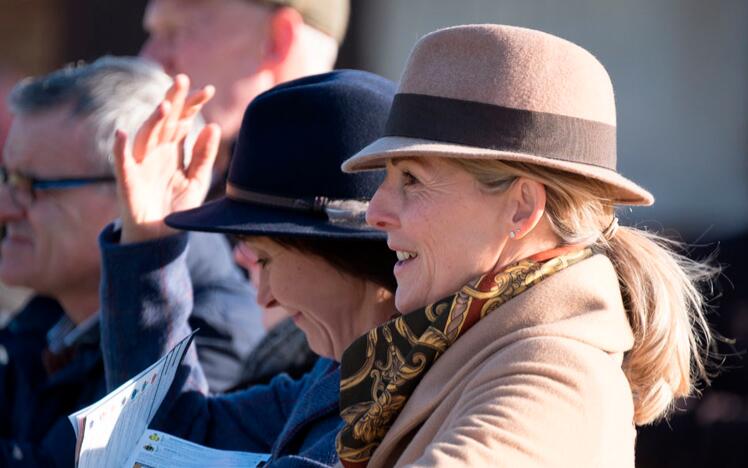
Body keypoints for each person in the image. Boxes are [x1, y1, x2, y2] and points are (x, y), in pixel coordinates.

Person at [334, 24, 717, 467]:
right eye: (388, 177)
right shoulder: (468, 339)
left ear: (521, 208)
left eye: (412, 179)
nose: (374, 210)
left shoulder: (556, 378)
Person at [99, 70, 398, 466]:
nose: (264, 295)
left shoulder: (433, 389)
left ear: (340, 250)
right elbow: (175, 436)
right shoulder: (341, 376)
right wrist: (149, 243)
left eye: (267, 259)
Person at [0, 56, 263, 466]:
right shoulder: (51, 319)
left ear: (138, 183)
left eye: (33, 185)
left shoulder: (205, 333)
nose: (5, 208)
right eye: (7, 179)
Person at [139, 0, 350, 378]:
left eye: (175, 31)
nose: (150, 58)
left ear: (277, 39)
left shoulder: (358, 201)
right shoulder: (198, 174)